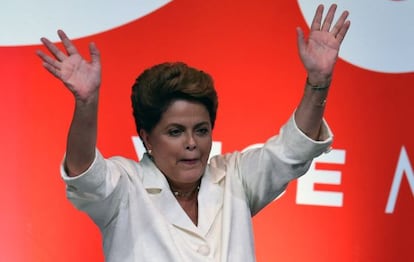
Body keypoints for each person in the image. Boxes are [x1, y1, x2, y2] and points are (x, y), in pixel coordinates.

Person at [36, 4, 350, 262]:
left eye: (201, 130)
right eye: (175, 131)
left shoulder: (235, 178)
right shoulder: (125, 187)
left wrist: (319, 82)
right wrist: (87, 102)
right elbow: (83, 172)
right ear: (146, 137)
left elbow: (293, 150)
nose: (191, 144)